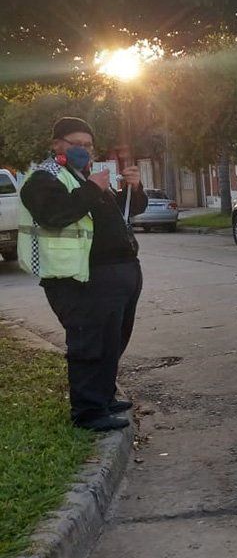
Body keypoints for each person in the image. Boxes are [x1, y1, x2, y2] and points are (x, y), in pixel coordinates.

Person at [17, 117, 147, 431]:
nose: (84, 150)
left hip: (117, 273)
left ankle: (103, 397)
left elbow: (128, 211)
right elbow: (55, 215)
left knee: (112, 340)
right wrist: (92, 188)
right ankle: (88, 411)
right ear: (56, 145)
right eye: (77, 144)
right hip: (81, 278)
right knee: (90, 342)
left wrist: (135, 188)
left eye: (88, 145)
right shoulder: (43, 179)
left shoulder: (81, 176)